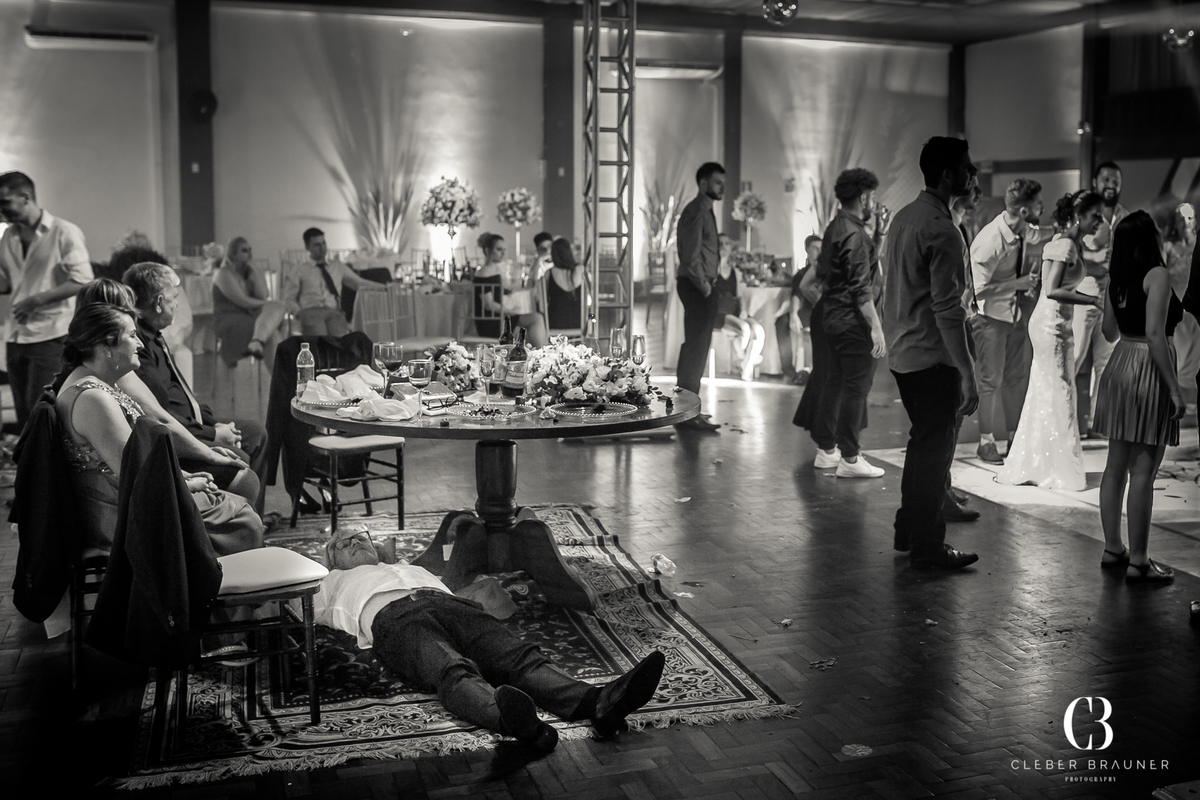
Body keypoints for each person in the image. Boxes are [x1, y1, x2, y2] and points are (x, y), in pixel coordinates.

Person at [316, 526, 666, 753]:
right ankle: (515, 721)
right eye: (343, 544)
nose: (354, 542)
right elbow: (283, 599)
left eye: (360, 536)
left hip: (451, 605)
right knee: (451, 670)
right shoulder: (327, 583)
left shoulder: (410, 566)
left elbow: (450, 569)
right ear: (331, 560)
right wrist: (319, 571)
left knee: (518, 656)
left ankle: (597, 703)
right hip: (395, 620)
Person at [53, 303, 263, 553]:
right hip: (120, 518)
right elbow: (135, 473)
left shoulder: (94, 383)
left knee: (234, 503)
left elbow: (132, 461)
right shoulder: (93, 399)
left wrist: (185, 476)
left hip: (122, 500)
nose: (140, 344)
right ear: (106, 346)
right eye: (131, 336)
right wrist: (186, 484)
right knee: (243, 517)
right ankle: (212, 588)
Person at [882, 136, 980, 571]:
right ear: (947, 174)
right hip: (932, 357)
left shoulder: (905, 217)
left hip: (905, 353)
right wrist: (969, 372)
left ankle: (909, 531)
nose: (972, 174)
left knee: (922, 447)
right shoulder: (942, 229)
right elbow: (948, 312)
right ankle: (928, 546)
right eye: (967, 167)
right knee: (933, 453)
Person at [74, 278, 260, 508]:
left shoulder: (104, 371)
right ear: (106, 331)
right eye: (131, 331)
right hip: (123, 496)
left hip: (156, 458)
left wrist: (197, 453)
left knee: (248, 445)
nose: (139, 340)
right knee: (244, 478)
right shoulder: (100, 388)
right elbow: (137, 457)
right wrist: (204, 454)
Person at [123, 262, 271, 514]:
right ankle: (233, 525)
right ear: (158, 302)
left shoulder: (156, 336)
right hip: (175, 433)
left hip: (191, 424)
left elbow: (183, 395)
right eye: (173, 298)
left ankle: (253, 517)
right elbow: (159, 414)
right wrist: (212, 434)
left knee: (255, 432)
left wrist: (214, 425)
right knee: (239, 461)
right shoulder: (139, 349)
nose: (177, 304)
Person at [1094, 211, 1186, 582]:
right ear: (1151, 239)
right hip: (1148, 367)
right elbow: (1154, 334)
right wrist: (1175, 389)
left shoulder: (1116, 280)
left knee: (1114, 467)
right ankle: (1140, 561)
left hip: (1118, 367)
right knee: (1143, 472)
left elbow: (1109, 331)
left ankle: (1113, 548)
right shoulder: (1158, 275)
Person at [997, 191, 1105, 492]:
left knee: (1050, 391)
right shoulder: (1065, 244)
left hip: (1057, 324)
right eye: (1095, 215)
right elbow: (1052, 290)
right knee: (1061, 392)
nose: (1100, 221)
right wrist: (1094, 299)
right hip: (1051, 325)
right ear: (1079, 215)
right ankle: (1060, 469)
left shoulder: (1069, 243)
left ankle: (1041, 464)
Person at [807, 169, 890, 478]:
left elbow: (860, 269)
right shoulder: (854, 234)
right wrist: (877, 327)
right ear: (864, 197)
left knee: (835, 382)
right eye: (872, 197)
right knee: (856, 388)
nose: (874, 202)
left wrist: (879, 235)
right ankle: (851, 459)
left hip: (832, 317)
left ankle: (827, 451)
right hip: (852, 322)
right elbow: (861, 287)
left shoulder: (836, 226)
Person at [0, 171, 93, 430]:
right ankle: (27, 468)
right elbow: (7, 282)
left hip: (50, 334)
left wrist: (37, 300)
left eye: (4, 202)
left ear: (25, 197)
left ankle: (46, 469)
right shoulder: (8, 236)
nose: (1, 209)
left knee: (39, 411)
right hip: (16, 334)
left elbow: (83, 279)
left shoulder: (64, 232)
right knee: (23, 414)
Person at [968, 179, 1047, 465]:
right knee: (990, 380)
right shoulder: (989, 241)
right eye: (1039, 203)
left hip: (1014, 314)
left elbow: (1041, 236)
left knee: (1016, 377)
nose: (1043, 207)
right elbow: (976, 290)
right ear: (1024, 211)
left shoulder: (1024, 229)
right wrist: (1019, 283)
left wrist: (1069, 230)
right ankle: (986, 442)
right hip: (989, 317)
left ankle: (1014, 439)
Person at [1075, 162, 1129, 437]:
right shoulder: (1085, 215)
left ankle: (1099, 423)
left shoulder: (1126, 216)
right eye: (1106, 179)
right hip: (1084, 293)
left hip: (1113, 299)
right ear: (1095, 181)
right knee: (1073, 358)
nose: (1111, 184)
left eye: (1116, 180)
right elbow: (1072, 254)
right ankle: (1069, 422)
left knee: (1107, 364)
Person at [674, 162, 725, 432]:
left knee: (697, 347)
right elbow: (690, 255)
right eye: (718, 182)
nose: (722, 188)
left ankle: (689, 410)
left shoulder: (706, 210)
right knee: (695, 349)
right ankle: (687, 413)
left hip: (700, 285)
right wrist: (705, 287)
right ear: (704, 183)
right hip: (696, 286)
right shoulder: (696, 210)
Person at [283, 227, 385, 336]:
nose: (322, 248)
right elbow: (289, 297)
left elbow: (358, 283)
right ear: (308, 247)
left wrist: (385, 287)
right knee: (320, 340)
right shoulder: (299, 269)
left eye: (324, 243)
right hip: (311, 311)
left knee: (340, 341)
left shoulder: (336, 266)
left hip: (333, 311)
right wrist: (299, 313)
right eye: (317, 245)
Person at [212, 236, 287, 373]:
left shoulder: (249, 271)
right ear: (233, 254)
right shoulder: (223, 274)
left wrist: (256, 272)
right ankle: (280, 383)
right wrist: (269, 304)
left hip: (250, 316)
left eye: (250, 249)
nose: (249, 253)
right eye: (244, 250)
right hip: (229, 319)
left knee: (278, 308)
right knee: (272, 331)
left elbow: (263, 294)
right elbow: (243, 302)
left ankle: (257, 342)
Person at [473, 233, 548, 346]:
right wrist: (511, 312)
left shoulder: (493, 270)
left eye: (504, 249)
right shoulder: (485, 272)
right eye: (499, 249)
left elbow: (501, 291)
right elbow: (489, 304)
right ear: (488, 250)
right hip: (491, 322)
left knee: (532, 326)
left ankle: (540, 356)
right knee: (536, 318)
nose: (503, 253)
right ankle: (543, 355)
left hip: (499, 318)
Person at [713, 234, 765, 382]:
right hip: (719, 312)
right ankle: (746, 361)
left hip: (734, 309)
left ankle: (745, 365)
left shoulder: (735, 272)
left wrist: (743, 310)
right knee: (744, 329)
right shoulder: (712, 270)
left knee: (758, 331)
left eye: (726, 244)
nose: (723, 247)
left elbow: (740, 295)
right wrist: (720, 262)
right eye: (720, 244)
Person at [1165, 202, 1197, 414]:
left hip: (1195, 309)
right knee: (1177, 353)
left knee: (1195, 355)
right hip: (1174, 307)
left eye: (1190, 217)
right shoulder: (1168, 247)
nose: (1186, 222)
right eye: (1181, 218)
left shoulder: (1198, 245)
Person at [545, 237, 583, 330]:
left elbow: (542, 299)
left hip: (555, 322)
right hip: (579, 321)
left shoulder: (549, 273)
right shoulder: (580, 269)